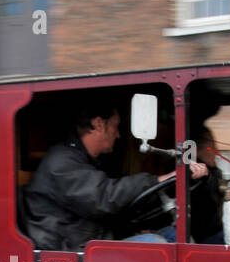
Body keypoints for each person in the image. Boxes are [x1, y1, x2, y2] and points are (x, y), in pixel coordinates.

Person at [23, 96, 206, 252]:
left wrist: (129, 231)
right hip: (70, 253)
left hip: (87, 242)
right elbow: (104, 197)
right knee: (155, 245)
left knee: (170, 234)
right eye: (115, 126)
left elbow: (102, 212)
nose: (118, 135)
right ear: (98, 124)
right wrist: (158, 180)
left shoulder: (84, 160)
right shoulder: (61, 162)